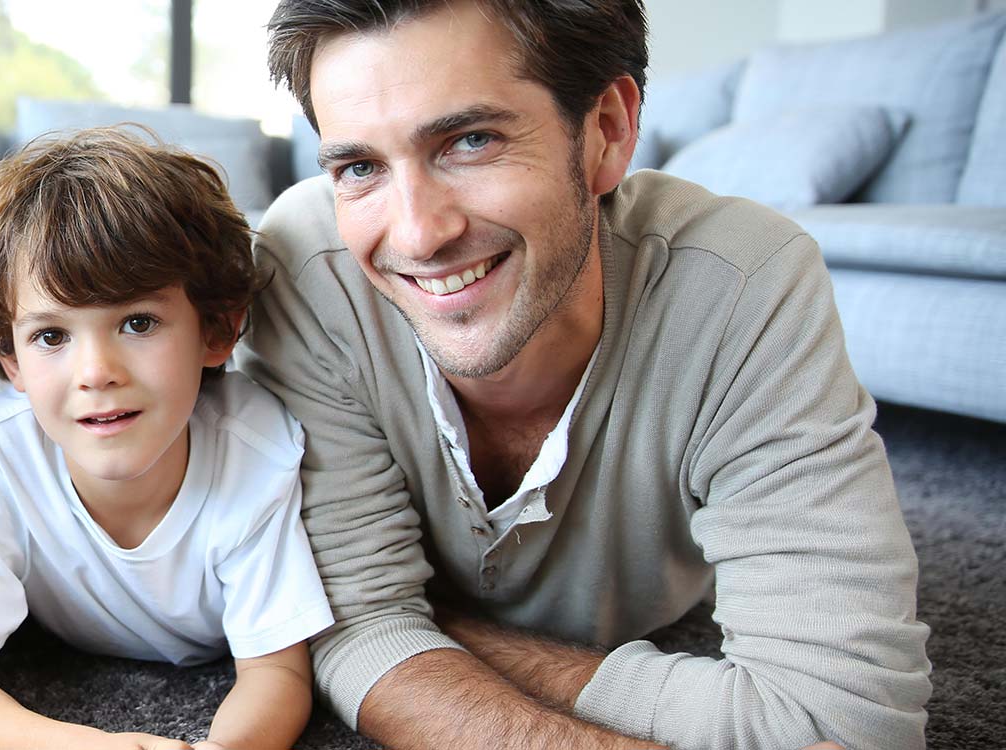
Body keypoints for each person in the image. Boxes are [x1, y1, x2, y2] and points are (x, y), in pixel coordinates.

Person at [238, 1, 932, 748]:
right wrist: (378, 625)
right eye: (360, 167)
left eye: (471, 141)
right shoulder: (306, 266)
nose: (416, 233)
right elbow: (359, 627)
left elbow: (846, 725)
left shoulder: (744, 284)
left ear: (606, 130)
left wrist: (432, 632)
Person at [0, 127, 335, 750]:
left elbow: (275, 670)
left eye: (137, 322)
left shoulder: (256, 449)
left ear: (217, 330)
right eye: (52, 336)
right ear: (9, 359)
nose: (96, 371)